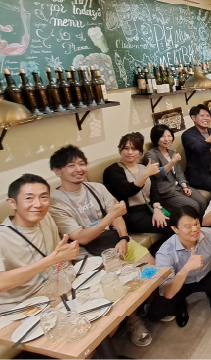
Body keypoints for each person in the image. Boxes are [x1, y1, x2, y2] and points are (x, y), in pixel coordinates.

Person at [49, 146, 155, 346]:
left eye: (82, 164)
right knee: (115, 285)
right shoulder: (56, 203)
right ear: (57, 171)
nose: (78, 169)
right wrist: (110, 217)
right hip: (88, 254)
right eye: (71, 165)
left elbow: (117, 216)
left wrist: (124, 238)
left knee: (152, 269)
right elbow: (81, 238)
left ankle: (148, 304)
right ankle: (133, 321)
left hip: (115, 240)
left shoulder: (96, 188)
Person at [147, 206, 211, 328]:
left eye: (196, 223)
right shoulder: (165, 252)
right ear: (175, 229)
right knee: (155, 313)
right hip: (181, 283)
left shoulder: (208, 234)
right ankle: (181, 304)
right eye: (187, 226)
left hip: (206, 274)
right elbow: (168, 293)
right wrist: (187, 268)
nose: (195, 229)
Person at [0, 174, 80, 310]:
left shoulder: (45, 218)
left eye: (43, 197)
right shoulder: (2, 236)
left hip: (52, 291)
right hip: (19, 307)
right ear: (12, 203)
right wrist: (53, 259)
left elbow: (61, 259)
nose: (38, 204)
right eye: (29, 198)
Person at [103, 133, 172, 239]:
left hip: (150, 208)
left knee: (182, 217)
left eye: (134, 149)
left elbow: (154, 191)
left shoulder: (143, 167)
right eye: (126, 148)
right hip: (130, 215)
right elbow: (128, 191)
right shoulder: (112, 171)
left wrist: (157, 209)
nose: (130, 152)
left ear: (140, 152)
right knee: (172, 225)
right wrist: (145, 175)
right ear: (120, 149)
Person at [143, 124, 207, 216]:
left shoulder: (172, 152)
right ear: (155, 138)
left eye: (169, 136)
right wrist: (172, 162)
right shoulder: (151, 154)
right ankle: (195, 224)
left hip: (178, 187)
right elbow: (156, 173)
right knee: (194, 205)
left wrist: (185, 187)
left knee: (202, 201)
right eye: (162, 136)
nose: (167, 139)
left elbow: (179, 173)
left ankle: (203, 223)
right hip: (165, 192)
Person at [181, 104, 211, 193]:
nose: (206, 118)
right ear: (193, 118)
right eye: (202, 116)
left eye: (208, 116)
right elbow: (201, 149)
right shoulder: (188, 135)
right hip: (200, 174)